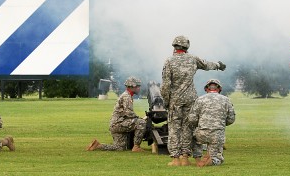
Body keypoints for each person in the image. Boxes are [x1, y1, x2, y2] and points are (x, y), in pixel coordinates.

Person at [160, 35, 226, 166]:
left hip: (175, 100)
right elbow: (207, 65)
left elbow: (166, 85)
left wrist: (166, 101)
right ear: (186, 47)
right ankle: (185, 157)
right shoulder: (193, 59)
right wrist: (218, 65)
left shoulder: (169, 61)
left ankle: (175, 159)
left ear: (174, 46)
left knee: (174, 128)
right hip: (191, 98)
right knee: (188, 128)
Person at [86, 76, 147, 152]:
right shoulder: (126, 97)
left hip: (116, 124)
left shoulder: (127, 95)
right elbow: (129, 113)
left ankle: (98, 145)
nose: (139, 88)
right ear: (133, 86)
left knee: (119, 147)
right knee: (141, 123)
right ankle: (136, 147)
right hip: (119, 124)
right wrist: (140, 118)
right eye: (138, 86)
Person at [187, 79, 235, 167]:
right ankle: (213, 159)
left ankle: (198, 159)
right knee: (218, 157)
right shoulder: (226, 100)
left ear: (206, 89)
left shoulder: (199, 100)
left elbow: (192, 119)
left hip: (202, 133)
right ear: (219, 89)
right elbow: (231, 119)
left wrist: (200, 124)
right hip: (217, 134)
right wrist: (221, 124)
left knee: (194, 137)